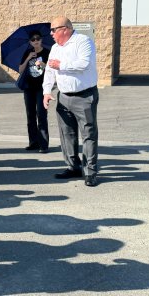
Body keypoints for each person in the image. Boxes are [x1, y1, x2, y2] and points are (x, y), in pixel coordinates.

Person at [42, 17, 100, 187]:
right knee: (67, 134)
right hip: (63, 96)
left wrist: (61, 64)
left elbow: (84, 64)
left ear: (65, 29)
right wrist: (46, 91)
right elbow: (49, 71)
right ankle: (72, 167)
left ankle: (90, 171)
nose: (51, 33)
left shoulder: (83, 41)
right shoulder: (54, 48)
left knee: (88, 134)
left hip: (84, 96)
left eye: (53, 30)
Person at [18, 30, 50, 153]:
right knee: (30, 116)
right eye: (33, 39)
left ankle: (43, 144)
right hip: (28, 88)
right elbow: (20, 69)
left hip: (41, 88)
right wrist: (28, 59)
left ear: (41, 40)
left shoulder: (47, 52)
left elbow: (51, 69)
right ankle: (33, 142)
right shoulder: (27, 52)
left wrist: (42, 64)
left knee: (41, 115)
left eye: (37, 39)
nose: (35, 41)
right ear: (30, 42)